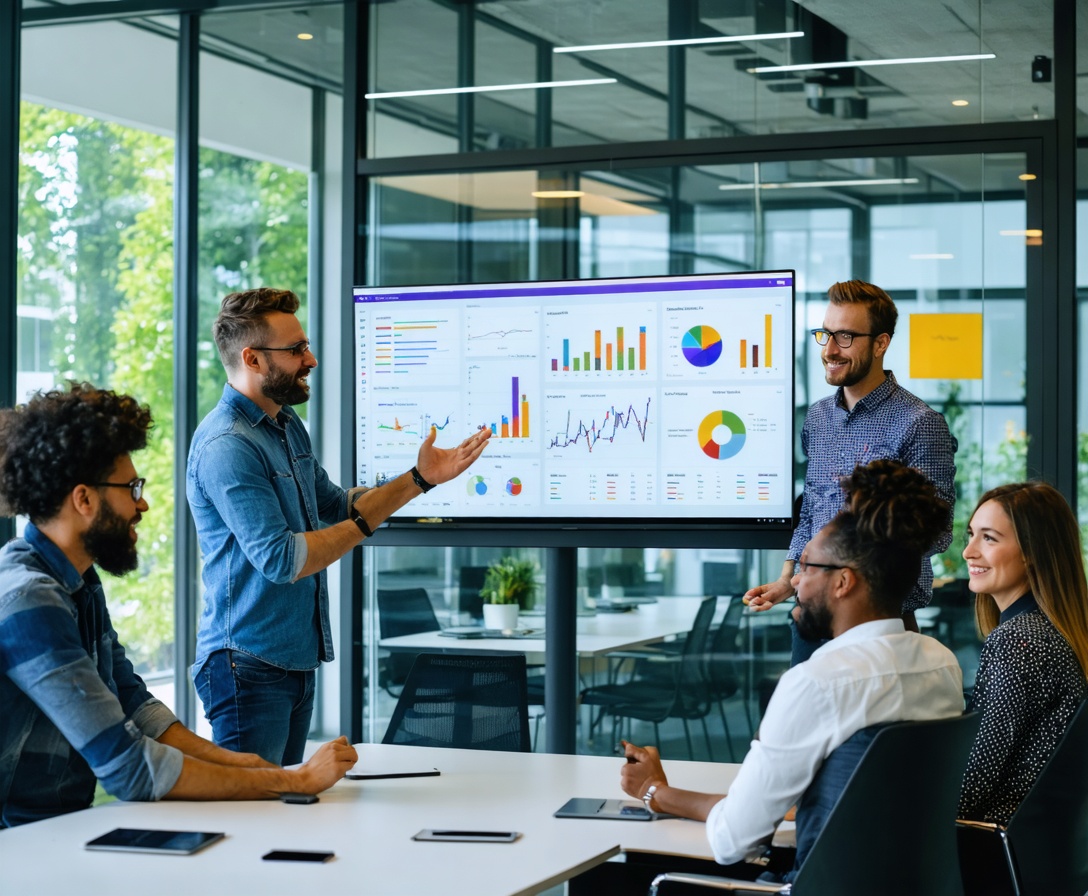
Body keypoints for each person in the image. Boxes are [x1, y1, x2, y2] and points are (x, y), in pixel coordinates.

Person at [0, 383, 359, 828]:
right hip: (19, 843)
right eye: (131, 488)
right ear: (84, 499)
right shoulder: (29, 600)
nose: (143, 503)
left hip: (54, 831)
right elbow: (130, 768)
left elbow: (134, 703)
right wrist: (294, 780)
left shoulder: (78, 582)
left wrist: (250, 765)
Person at [619, 460, 964, 885]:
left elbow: (733, 841)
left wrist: (653, 791)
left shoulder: (818, 683)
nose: (795, 583)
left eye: (807, 567)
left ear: (843, 582)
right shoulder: (940, 663)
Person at [188, 287, 490, 765]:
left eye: (305, 346)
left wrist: (420, 478)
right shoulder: (227, 445)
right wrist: (365, 525)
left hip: (292, 660)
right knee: (253, 804)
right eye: (296, 350)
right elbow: (282, 560)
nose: (310, 360)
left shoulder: (286, 425)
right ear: (253, 358)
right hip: (247, 664)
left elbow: (334, 504)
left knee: (286, 800)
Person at [745, 279, 957, 663]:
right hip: (811, 623)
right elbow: (811, 510)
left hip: (880, 625)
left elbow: (936, 532)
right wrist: (788, 580)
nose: (829, 349)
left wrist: (852, 566)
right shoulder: (817, 418)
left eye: (845, 337)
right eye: (825, 334)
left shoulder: (919, 423)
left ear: (880, 343)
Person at [958, 482, 1088, 826]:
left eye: (989, 538)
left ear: (1032, 551)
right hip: (1045, 843)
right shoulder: (1056, 631)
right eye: (971, 535)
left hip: (995, 841)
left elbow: (973, 783)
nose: (968, 552)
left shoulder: (1018, 641)